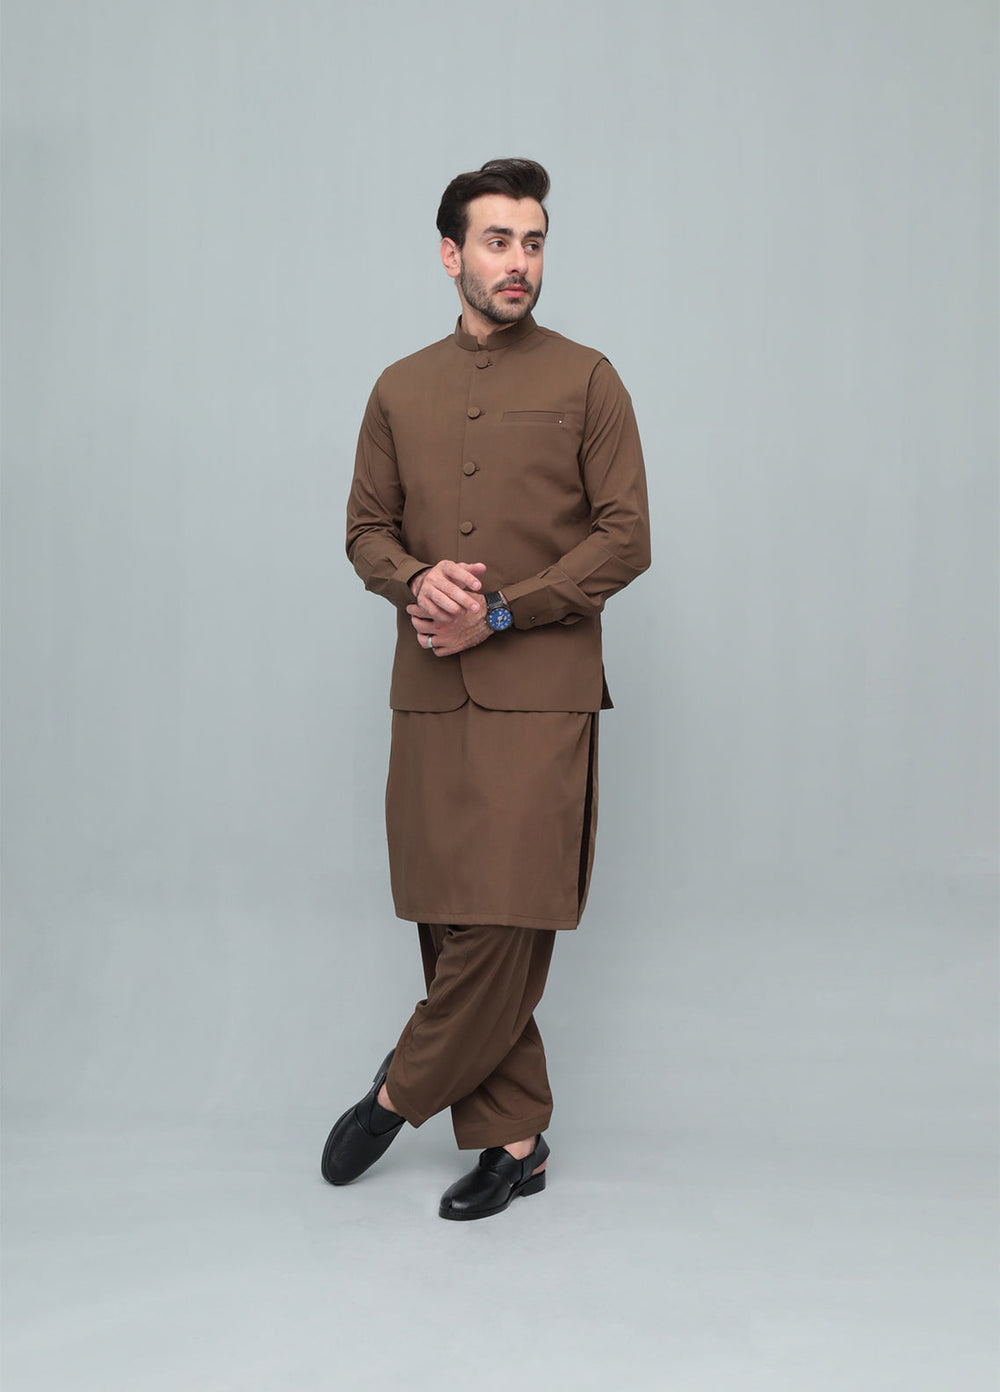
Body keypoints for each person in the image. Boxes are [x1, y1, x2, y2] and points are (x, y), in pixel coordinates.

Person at [321, 157, 650, 1221]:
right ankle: (516, 1143)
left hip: (543, 693)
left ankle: (397, 1091)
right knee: (449, 917)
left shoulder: (589, 380)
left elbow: (627, 539)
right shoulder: (397, 387)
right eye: (499, 241)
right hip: (428, 693)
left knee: (509, 915)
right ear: (451, 254)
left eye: (534, 242)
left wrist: (500, 612)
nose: (520, 262)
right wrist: (417, 580)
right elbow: (365, 532)